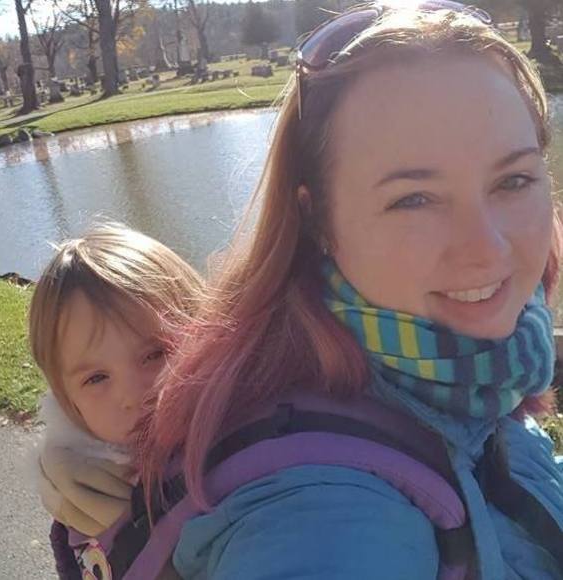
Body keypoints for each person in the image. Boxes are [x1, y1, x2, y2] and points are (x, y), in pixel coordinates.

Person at [136, 2, 563, 579]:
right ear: (317, 219)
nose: (487, 249)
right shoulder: (320, 516)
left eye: (513, 180)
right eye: (413, 199)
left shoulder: (484, 373)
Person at [29, 222, 204, 579]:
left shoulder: (241, 459)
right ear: (68, 402)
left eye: (156, 354)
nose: (134, 396)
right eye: (96, 378)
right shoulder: (80, 490)